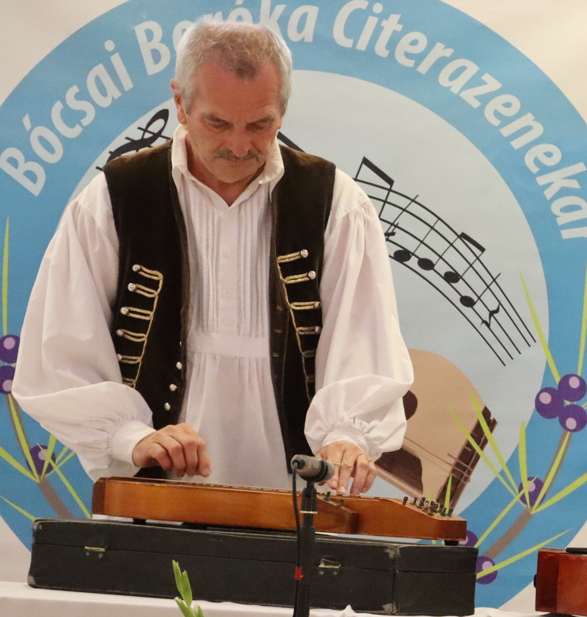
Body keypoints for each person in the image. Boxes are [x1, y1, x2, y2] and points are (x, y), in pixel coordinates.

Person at [15, 17, 411, 496]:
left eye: (260, 125)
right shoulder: (116, 198)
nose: (239, 146)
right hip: (153, 494)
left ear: (283, 111)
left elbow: (363, 335)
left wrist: (347, 436)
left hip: (295, 497)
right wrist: (130, 437)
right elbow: (63, 344)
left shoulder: (335, 202)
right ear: (180, 103)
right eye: (218, 123)